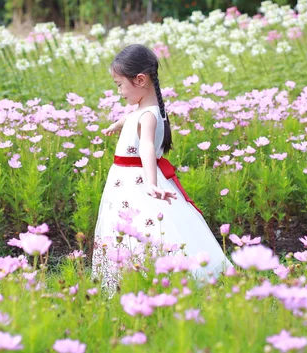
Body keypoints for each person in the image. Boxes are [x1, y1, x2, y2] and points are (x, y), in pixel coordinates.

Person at [91, 44, 233, 295]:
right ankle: (133, 278)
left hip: (135, 181)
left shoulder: (148, 116)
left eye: (119, 84)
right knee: (138, 229)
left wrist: (151, 182)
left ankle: (142, 281)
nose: (119, 91)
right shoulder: (146, 110)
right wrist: (117, 123)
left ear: (140, 80)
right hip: (125, 180)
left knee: (137, 229)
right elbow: (130, 118)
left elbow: (146, 146)